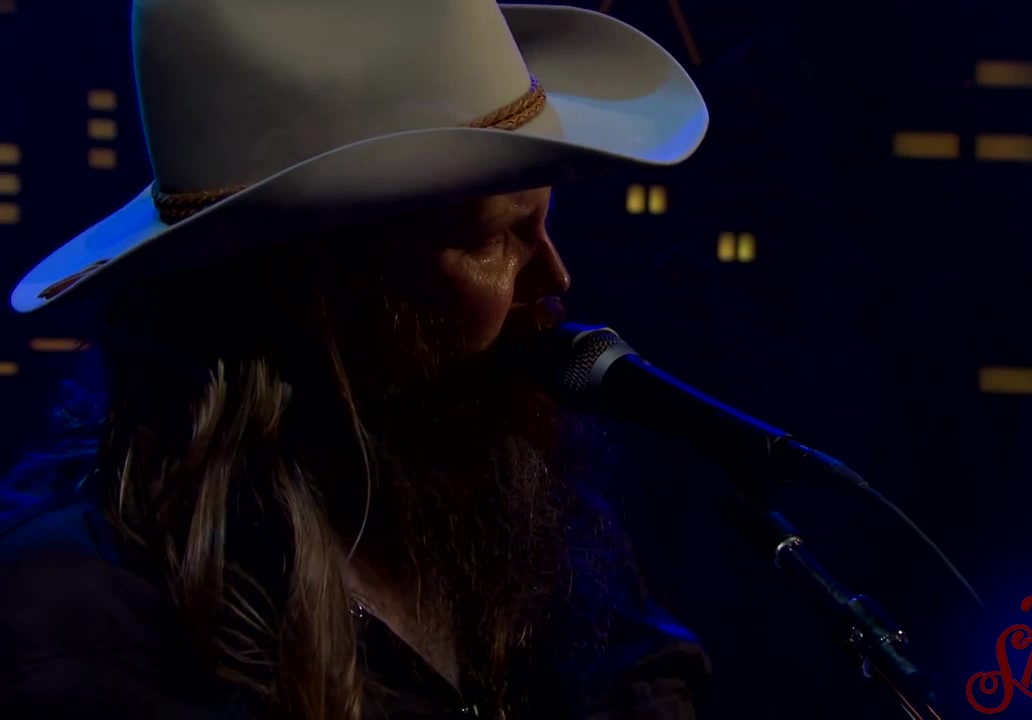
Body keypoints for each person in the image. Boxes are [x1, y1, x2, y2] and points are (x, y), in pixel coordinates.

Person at [0, 1, 710, 718]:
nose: (553, 280)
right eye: (490, 239)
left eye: (542, 224)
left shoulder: (511, 510)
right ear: (314, 288)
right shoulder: (88, 629)